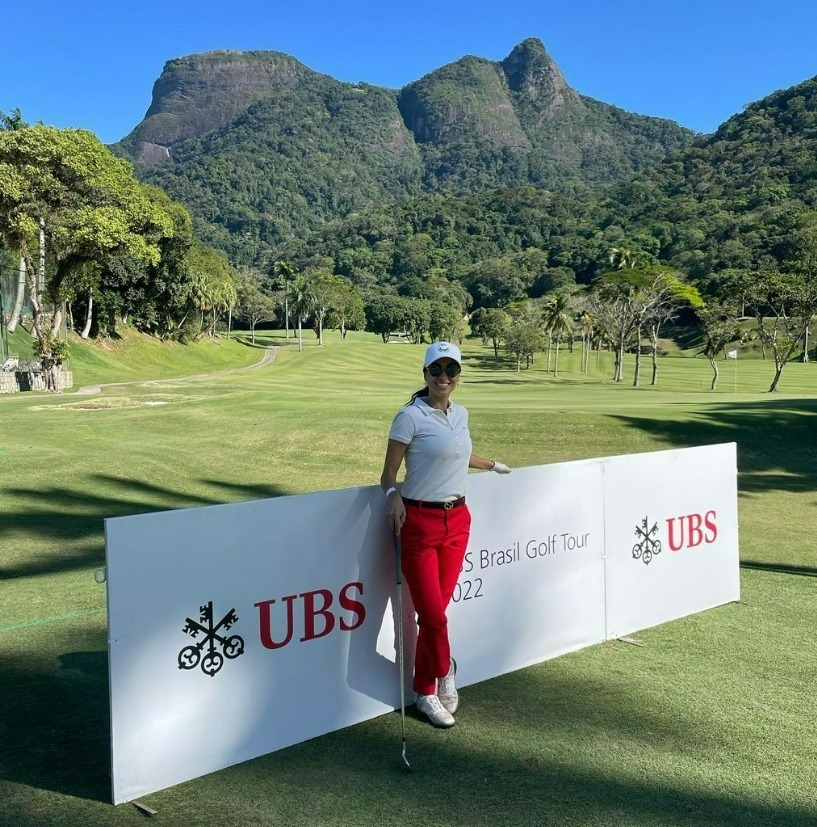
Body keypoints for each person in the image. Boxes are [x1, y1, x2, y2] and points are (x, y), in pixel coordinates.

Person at [380, 341, 511, 727]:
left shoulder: (461, 414)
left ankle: (425, 689)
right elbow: (388, 473)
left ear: (458, 376)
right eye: (436, 370)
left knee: (437, 614)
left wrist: (491, 464)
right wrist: (394, 497)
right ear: (425, 374)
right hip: (418, 523)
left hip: (458, 522)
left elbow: (456, 453)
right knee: (433, 617)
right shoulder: (409, 417)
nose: (443, 378)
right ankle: (442, 672)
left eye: (450, 371)